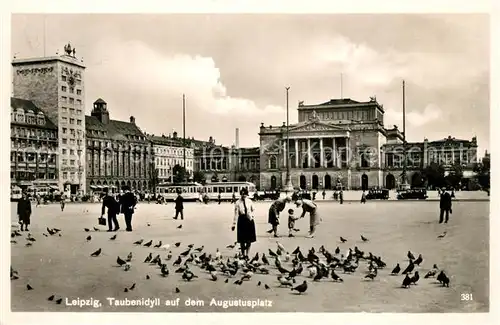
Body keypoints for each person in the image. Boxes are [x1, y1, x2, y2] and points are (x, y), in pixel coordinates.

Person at [232, 188, 256, 258]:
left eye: (245, 194)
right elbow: (236, 214)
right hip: (242, 221)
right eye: (242, 194)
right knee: (242, 240)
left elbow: (253, 209)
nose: (243, 195)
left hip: (249, 221)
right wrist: (234, 224)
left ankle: (247, 254)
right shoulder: (237, 202)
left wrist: (251, 216)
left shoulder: (250, 201)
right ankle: (243, 254)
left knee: (249, 240)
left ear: (246, 194)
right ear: (240, 194)